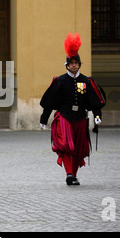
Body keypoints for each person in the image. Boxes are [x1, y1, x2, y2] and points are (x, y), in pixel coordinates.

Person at [39, 33, 106, 185]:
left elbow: (95, 101)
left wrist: (97, 115)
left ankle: (73, 175)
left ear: (79, 64)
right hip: (64, 117)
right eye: (71, 63)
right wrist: (44, 118)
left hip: (80, 118)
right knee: (67, 145)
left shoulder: (86, 81)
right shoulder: (60, 81)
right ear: (67, 65)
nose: (74, 65)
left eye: (76, 63)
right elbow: (49, 101)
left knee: (78, 148)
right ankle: (69, 174)